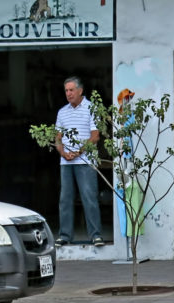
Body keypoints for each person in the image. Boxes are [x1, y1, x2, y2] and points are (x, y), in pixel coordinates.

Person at [54, 76, 104, 247]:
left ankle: (95, 235)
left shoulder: (92, 108)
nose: (68, 93)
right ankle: (65, 236)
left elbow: (95, 136)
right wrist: (63, 152)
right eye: (66, 90)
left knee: (89, 197)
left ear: (80, 90)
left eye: (71, 90)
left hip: (85, 160)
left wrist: (78, 151)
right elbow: (58, 138)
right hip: (66, 162)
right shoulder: (62, 112)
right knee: (65, 199)